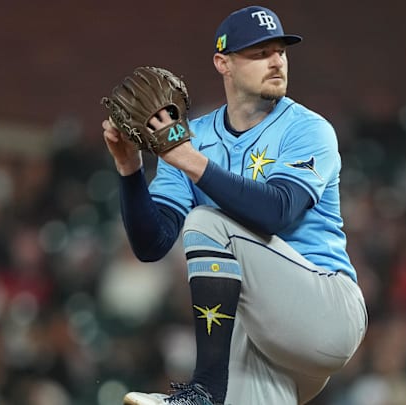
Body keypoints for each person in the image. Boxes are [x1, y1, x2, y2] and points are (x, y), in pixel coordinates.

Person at [102, 6, 367, 405]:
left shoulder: (308, 129)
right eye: (260, 53)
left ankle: (204, 389)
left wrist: (185, 157)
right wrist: (130, 169)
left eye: (280, 50)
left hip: (327, 311)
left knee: (208, 223)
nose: (276, 61)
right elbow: (152, 243)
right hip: (264, 334)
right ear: (223, 63)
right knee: (223, 275)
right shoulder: (193, 139)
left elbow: (276, 212)